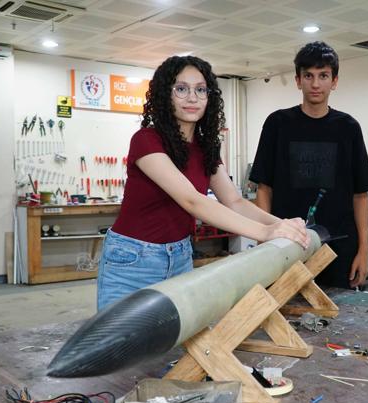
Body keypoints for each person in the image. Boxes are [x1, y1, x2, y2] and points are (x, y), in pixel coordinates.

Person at [97, 55, 309, 311]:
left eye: (200, 89)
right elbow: (192, 200)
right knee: (123, 335)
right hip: (133, 259)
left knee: (173, 334)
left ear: (210, 97)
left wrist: (282, 225)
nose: (192, 98)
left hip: (180, 255)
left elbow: (234, 201)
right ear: (165, 94)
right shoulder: (146, 140)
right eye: (181, 89)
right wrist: (265, 233)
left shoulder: (205, 148)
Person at [250, 41, 368, 289]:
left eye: (323, 76)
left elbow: (360, 195)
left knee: (340, 310)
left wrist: (363, 250)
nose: (316, 84)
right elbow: (264, 189)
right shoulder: (277, 124)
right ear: (298, 80)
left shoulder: (348, 128)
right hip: (287, 246)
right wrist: (265, 244)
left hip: (339, 249)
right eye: (308, 76)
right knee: (284, 309)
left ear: (334, 81)